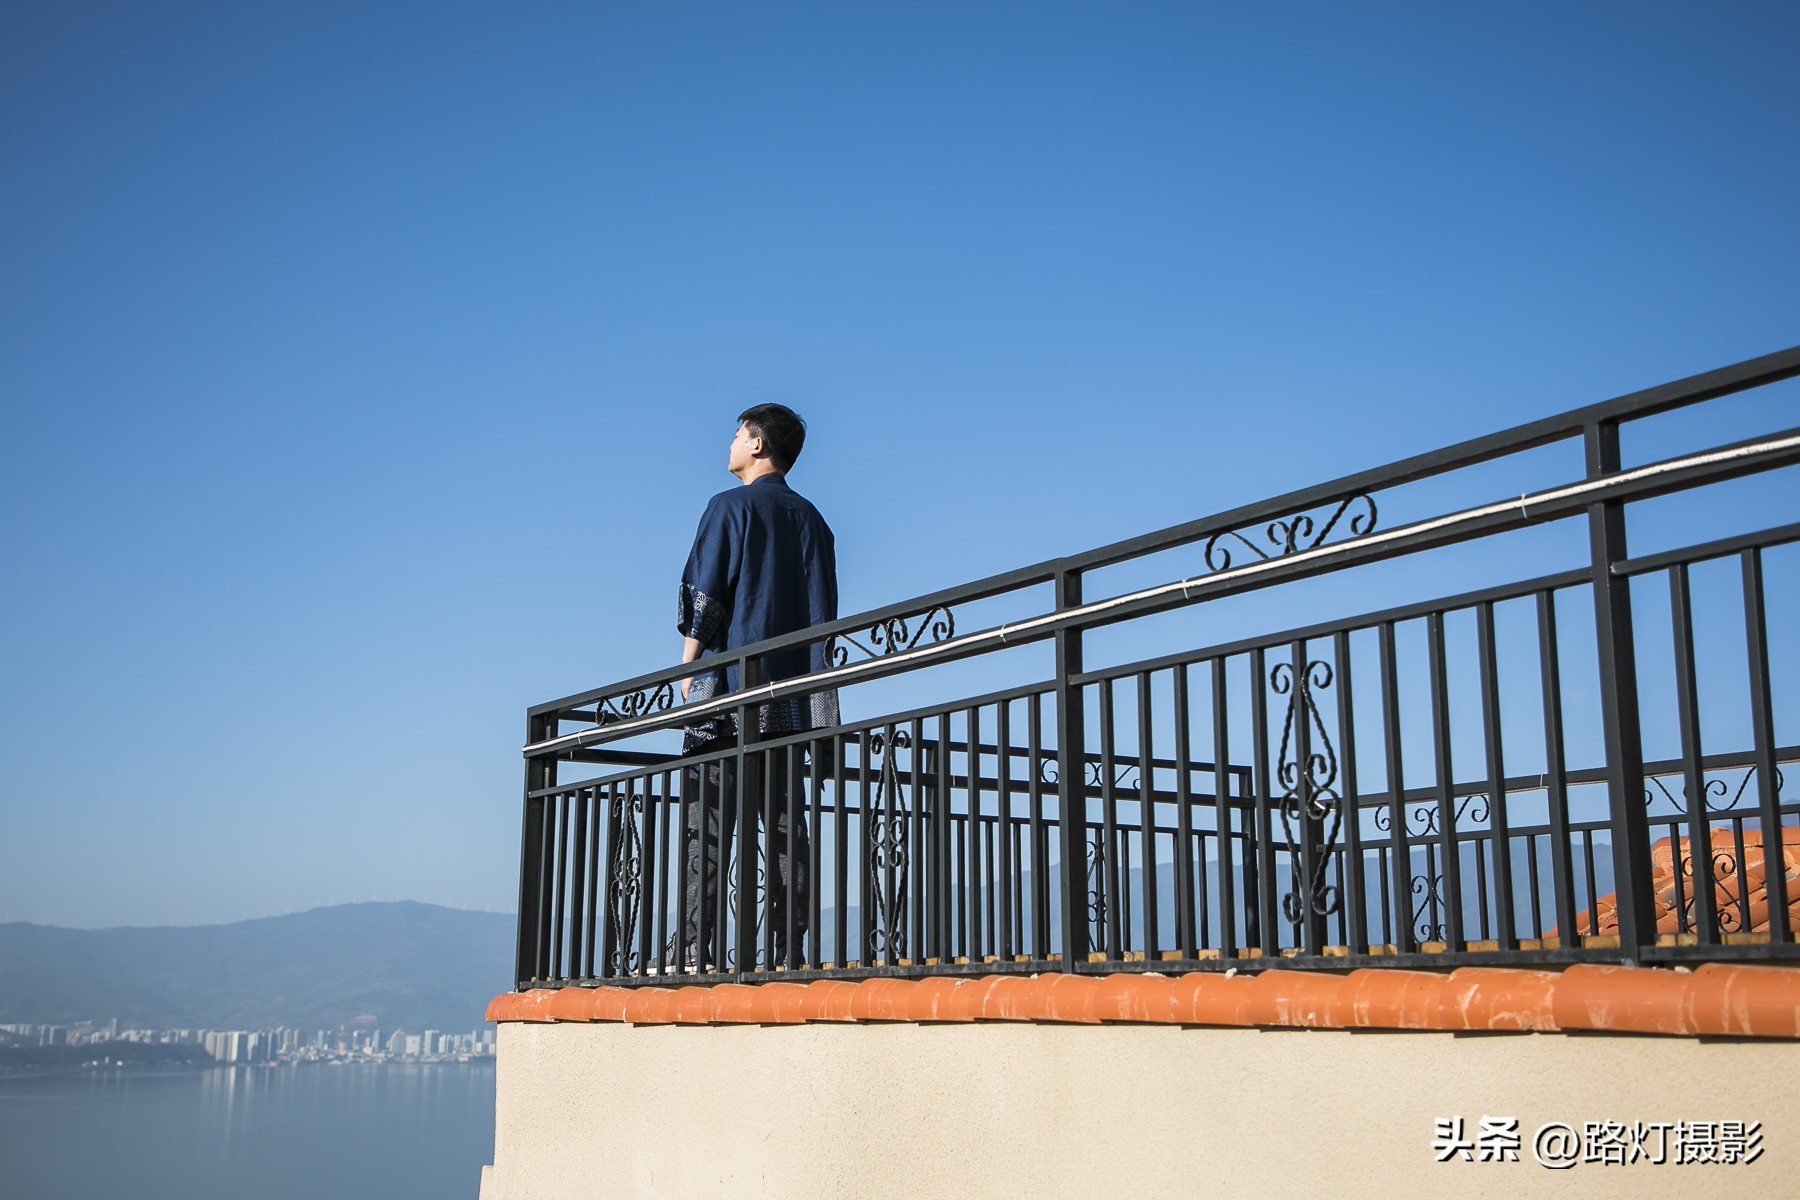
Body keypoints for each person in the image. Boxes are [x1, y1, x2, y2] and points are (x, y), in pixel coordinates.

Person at [674, 404, 838, 972]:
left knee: (707, 821)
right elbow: (824, 617)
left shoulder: (729, 507)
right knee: (788, 826)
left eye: (738, 435)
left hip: (728, 696)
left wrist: (687, 663)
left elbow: (706, 593)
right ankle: (789, 951)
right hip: (791, 703)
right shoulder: (814, 521)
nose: (730, 443)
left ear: (758, 445)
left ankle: (697, 949)